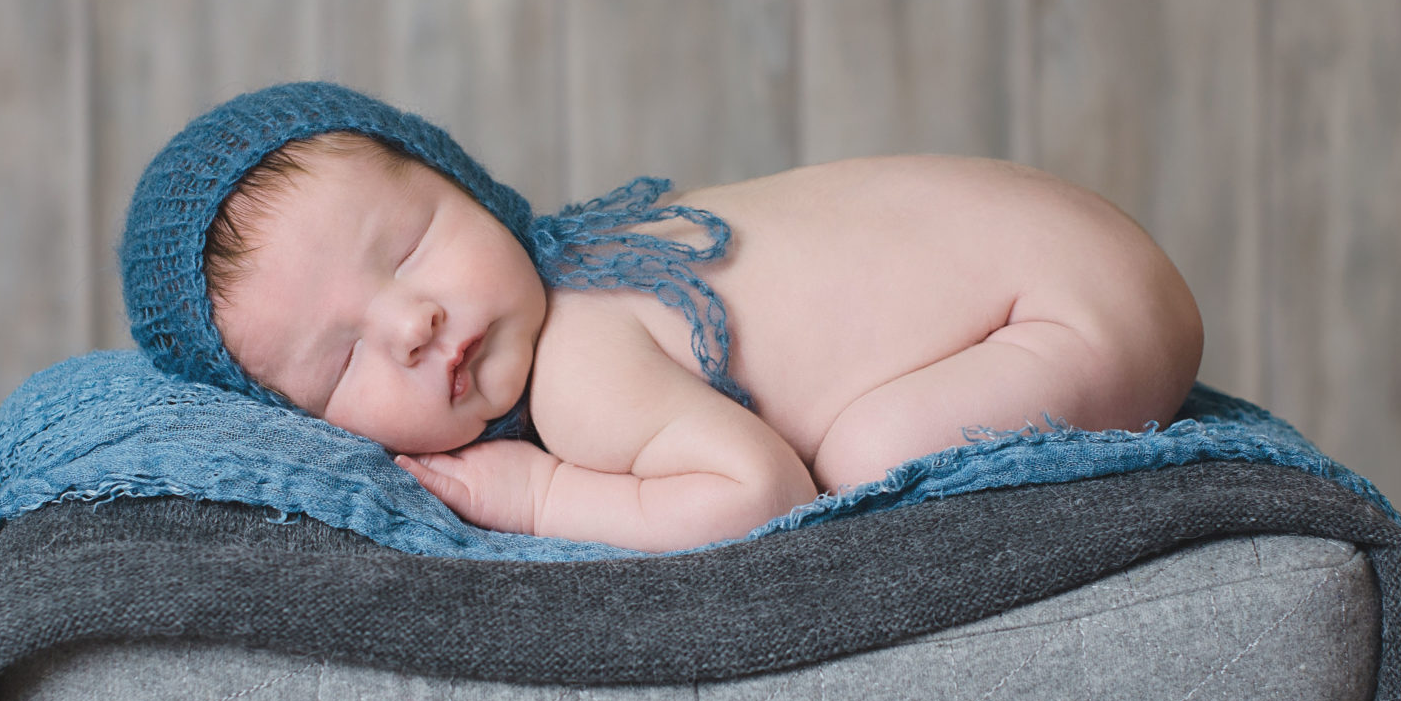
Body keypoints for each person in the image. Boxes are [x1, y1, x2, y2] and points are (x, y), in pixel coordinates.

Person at [177, 105, 1202, 555]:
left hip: (1076, 315)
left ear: (468, 184)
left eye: (408, 248)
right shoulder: (613, 249)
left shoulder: (581, 360)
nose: (410, 322)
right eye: (343, 358)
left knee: (868, 455)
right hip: (1085, 245)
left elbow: (758, 493)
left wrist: (541, 494)